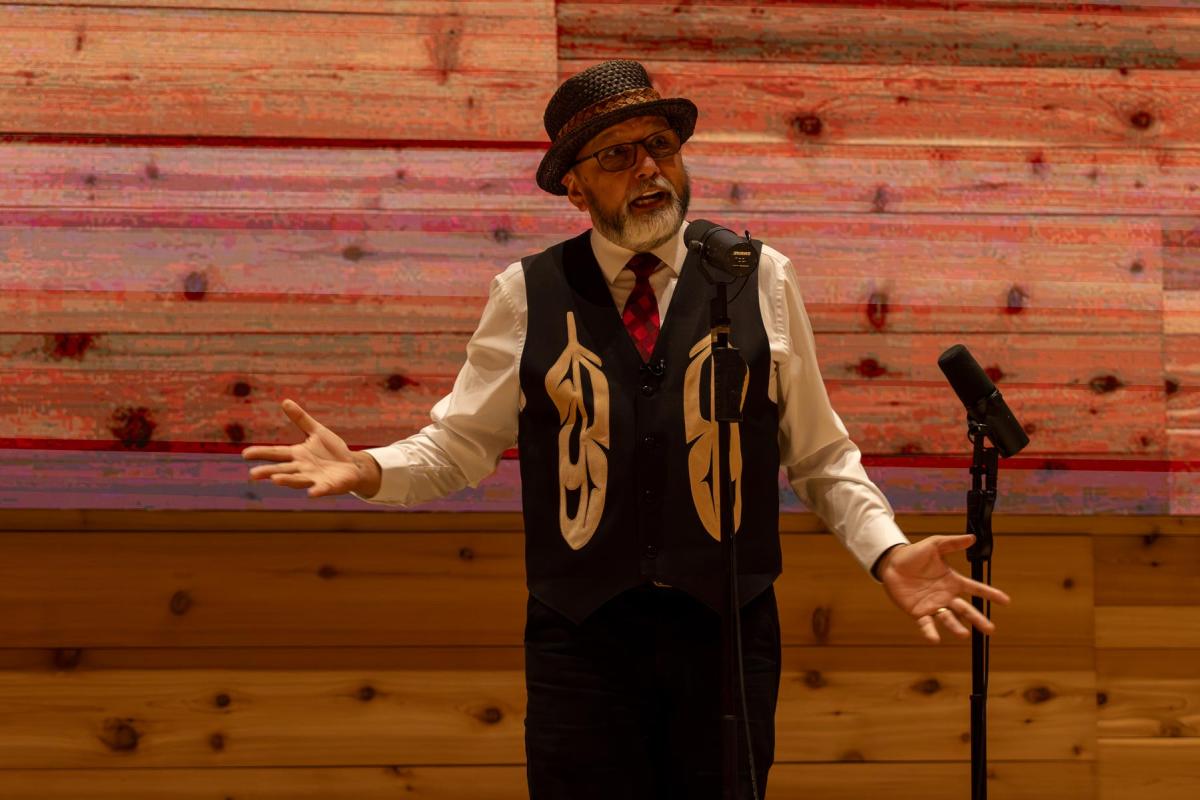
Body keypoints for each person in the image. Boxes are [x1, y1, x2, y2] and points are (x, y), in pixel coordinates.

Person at [242, 59, 1012, 800]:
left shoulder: (757, 276)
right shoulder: (526, 293)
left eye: (661, 146)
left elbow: (818, 454)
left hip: (726, 637)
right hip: (582, 641)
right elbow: (458, 446)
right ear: (574, 187)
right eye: (617, 154)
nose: (648, 168)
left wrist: (886, 551)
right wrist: (370, 469)